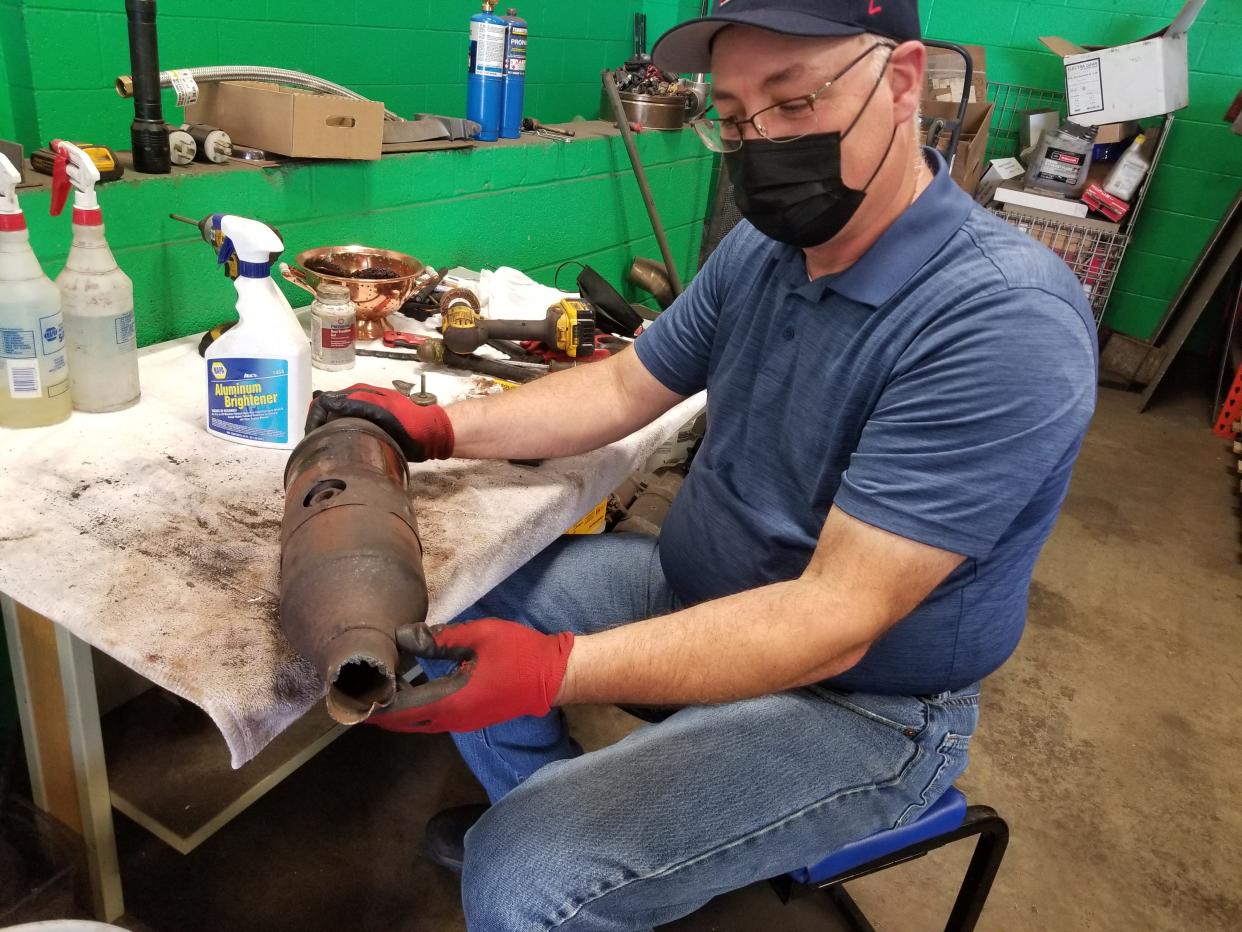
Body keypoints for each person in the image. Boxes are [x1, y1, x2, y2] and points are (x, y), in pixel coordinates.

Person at [305, 1, 1098, 928]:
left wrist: (554, 670)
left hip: (864, 700)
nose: (761, 142)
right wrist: (435, 427)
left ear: (905, 80)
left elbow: (836, 620)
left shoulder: (999, 321)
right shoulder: (766, 250)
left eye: (795, 102)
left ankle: (554, 856)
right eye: (733, 115)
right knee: (461, 596)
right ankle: (568, 820)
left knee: (525, 878)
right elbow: (619, 391)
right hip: (697, 594)